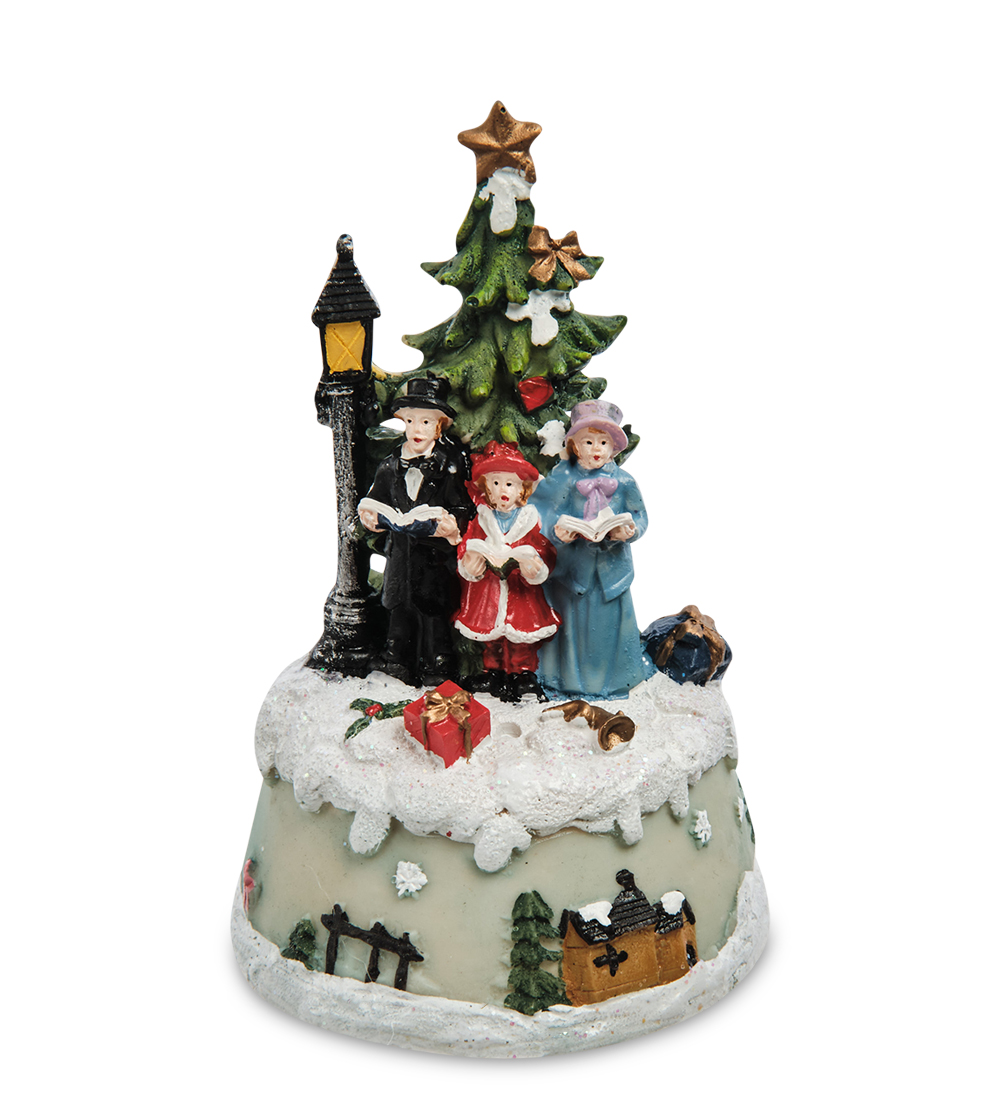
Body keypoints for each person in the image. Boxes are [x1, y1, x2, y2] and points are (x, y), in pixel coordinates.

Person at [530, 400, 655, 698]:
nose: (596, 449)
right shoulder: (562, 477)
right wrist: (557, 533)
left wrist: (630, 530)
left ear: (614, 448)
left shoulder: (624, 481)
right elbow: (540, 513)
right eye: (588, 441)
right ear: (573, 445)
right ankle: (567, 681)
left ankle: (615, 680)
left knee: (610, 624)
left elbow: (639, 515)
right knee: (572, 624)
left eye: (603, 442)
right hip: (574, 567)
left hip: (612, 567)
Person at [358, 377, 472, 685]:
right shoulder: (390, 466)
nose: (417, 429)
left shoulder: (448, 467)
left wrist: (451, 525)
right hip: (400, 554)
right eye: (411, 421)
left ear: (439, 427)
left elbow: (462, 506)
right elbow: (374, 499)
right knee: (399, 608)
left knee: (432, 611)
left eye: (425, 422)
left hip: (433, 558)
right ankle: (397, 657)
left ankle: (438, 662)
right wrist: (371, 516)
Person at [453, 443, 560, 702]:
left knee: (521, 635)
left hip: (520, 591)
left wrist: (534, 563)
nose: (503, 490)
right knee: (491, 635)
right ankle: (494, 671)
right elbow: (467, 544)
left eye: (510, 484)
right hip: (488, 590)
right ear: (487, 488)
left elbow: (543, 547)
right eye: (496, 483)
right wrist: (470, 560)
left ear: (521, 489)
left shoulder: (530, 519)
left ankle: (522, 673)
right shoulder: (481, 519)